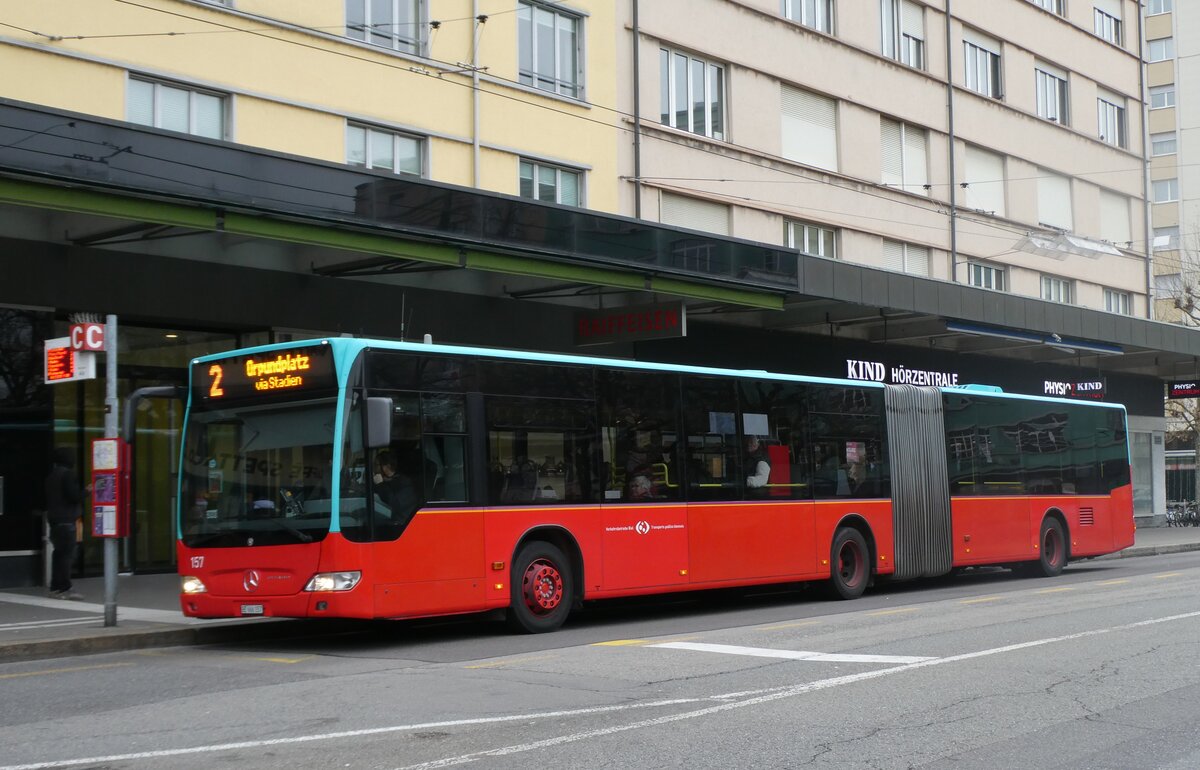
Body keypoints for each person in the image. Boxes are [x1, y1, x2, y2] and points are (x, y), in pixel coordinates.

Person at [44, 447, 84, 600]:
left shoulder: (51, 476)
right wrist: (86, 492)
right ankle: (65, 588)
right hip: (67, 521)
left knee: (58, 554)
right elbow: (73, 496)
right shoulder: (67, 475)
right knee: (67, 555)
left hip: (54, 521)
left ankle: (55, 588)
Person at [373, 450, 418, 527]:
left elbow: (395, 503)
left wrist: (380, 484)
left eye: (376, 465)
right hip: (390, 516)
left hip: (401, 523)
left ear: (387, 467)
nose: (374, 468)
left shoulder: (404, 482)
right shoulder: (386, 480)